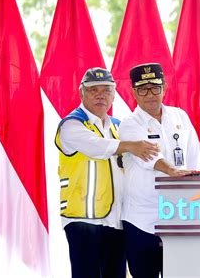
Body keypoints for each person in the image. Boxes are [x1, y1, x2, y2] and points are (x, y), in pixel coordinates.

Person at [55, 67, 159, 278]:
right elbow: (98, 146)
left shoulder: (117, 127)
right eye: (94, 90)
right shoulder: (71, 125)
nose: (100, 95)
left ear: (114, 94)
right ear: (82, 93)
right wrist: (132, 145)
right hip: (84, 220)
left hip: (117, 219)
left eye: (106, 90)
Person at [119, 63, 200, 278]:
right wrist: (171, 170)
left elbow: (196, 156)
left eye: (155, 87)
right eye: (142, 89)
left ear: (165, 87)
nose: (150, 94)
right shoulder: (129, 124)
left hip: (179, 215)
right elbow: (148, 157)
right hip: (141, 220)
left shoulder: (180, 117)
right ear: (133, 93)